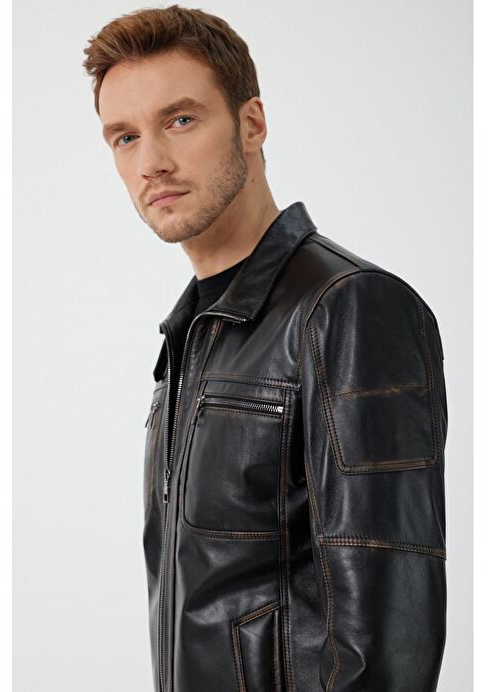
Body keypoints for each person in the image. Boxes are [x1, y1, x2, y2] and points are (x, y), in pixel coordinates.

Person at [82, 5, 448, 691]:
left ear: (251, 123)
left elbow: (387, 638)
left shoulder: (347, 308)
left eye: (180, 120)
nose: (151, 162)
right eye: (124, 137)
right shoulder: (191, 336)